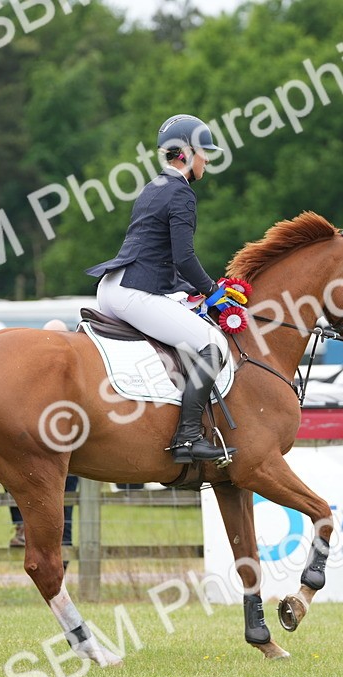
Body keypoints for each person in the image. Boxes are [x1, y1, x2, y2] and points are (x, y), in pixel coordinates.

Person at [85, 113, 235, 464]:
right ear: (185, 153)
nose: (208, 159)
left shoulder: (153, 187)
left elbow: (160, 257)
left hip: (113, 288)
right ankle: (188, 438)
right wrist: (213, 291)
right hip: (134, 293)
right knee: (213, 343)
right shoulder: (182, 194)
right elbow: (183, 257)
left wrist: (190, 292)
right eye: (203, 152)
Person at [11, 320, 79, 556]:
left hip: (68, 459)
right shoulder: (29, 375)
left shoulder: (78, 376)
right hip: (38, 457)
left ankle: (63, 569)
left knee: (64, 514)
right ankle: (21, 528)